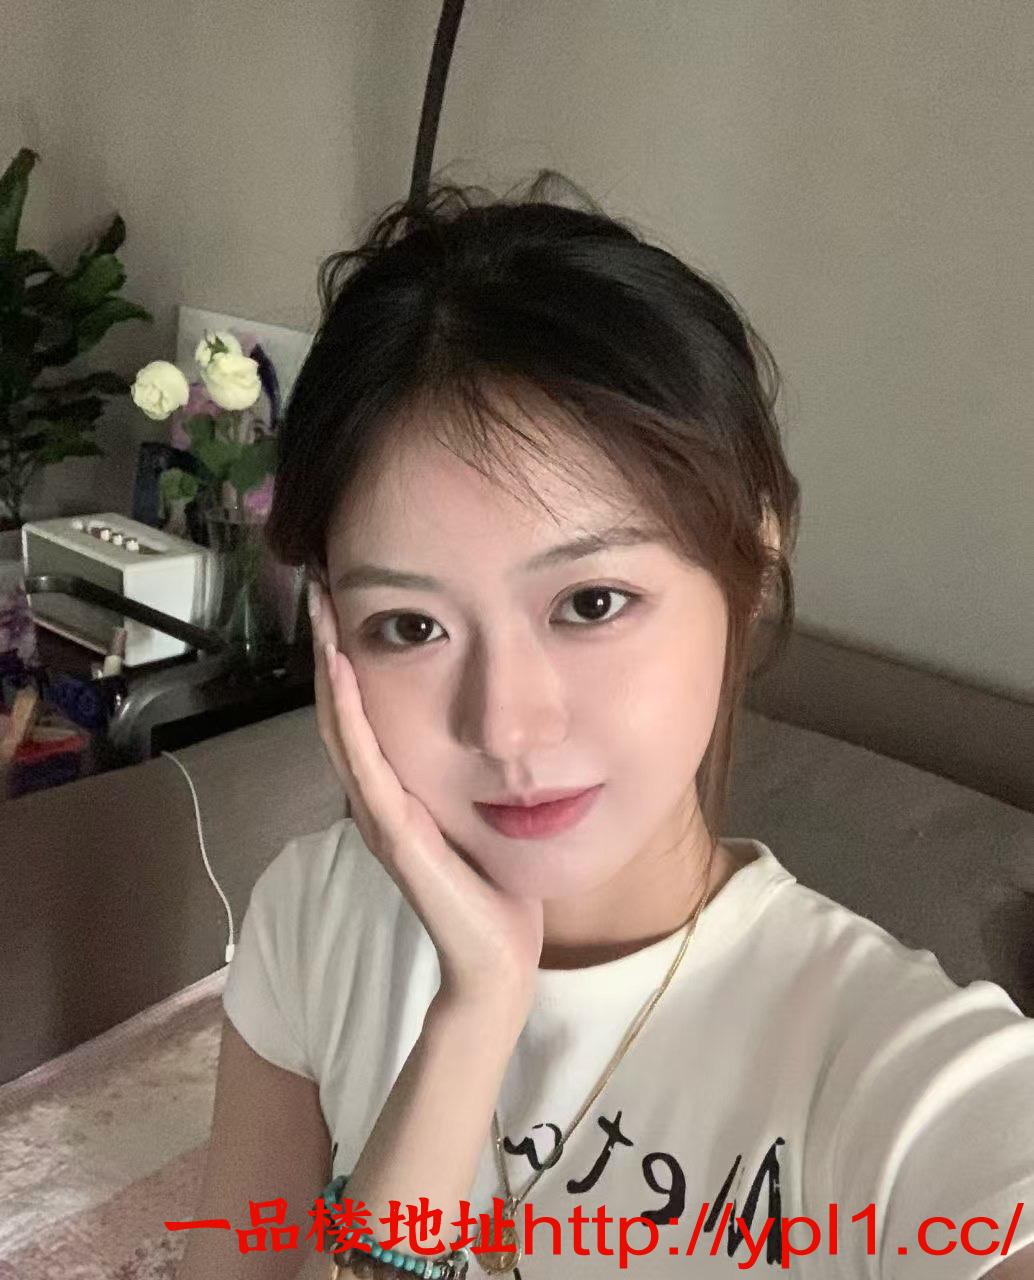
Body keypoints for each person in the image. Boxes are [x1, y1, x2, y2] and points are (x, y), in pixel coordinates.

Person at [177, 171, 1034, 1279]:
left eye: (590, 603)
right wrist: (475, 1008)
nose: (506, 724)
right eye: (409, 626)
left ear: (753, 559)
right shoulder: (314, 918)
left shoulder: (912, 1082)